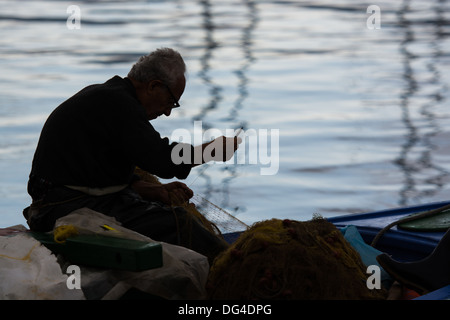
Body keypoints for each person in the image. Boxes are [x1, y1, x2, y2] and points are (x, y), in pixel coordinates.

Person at [23, 48, 241, 262]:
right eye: (171, 102)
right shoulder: (119, 104)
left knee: (163, 211)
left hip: (56, 203)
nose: (167, 112)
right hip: (61, 209)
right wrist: (210, 151)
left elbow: (94, 170)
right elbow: (163, 160)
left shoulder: (107, 96)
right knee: (179, 222)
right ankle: (231, 267)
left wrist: (152, 190)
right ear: (154, 86)